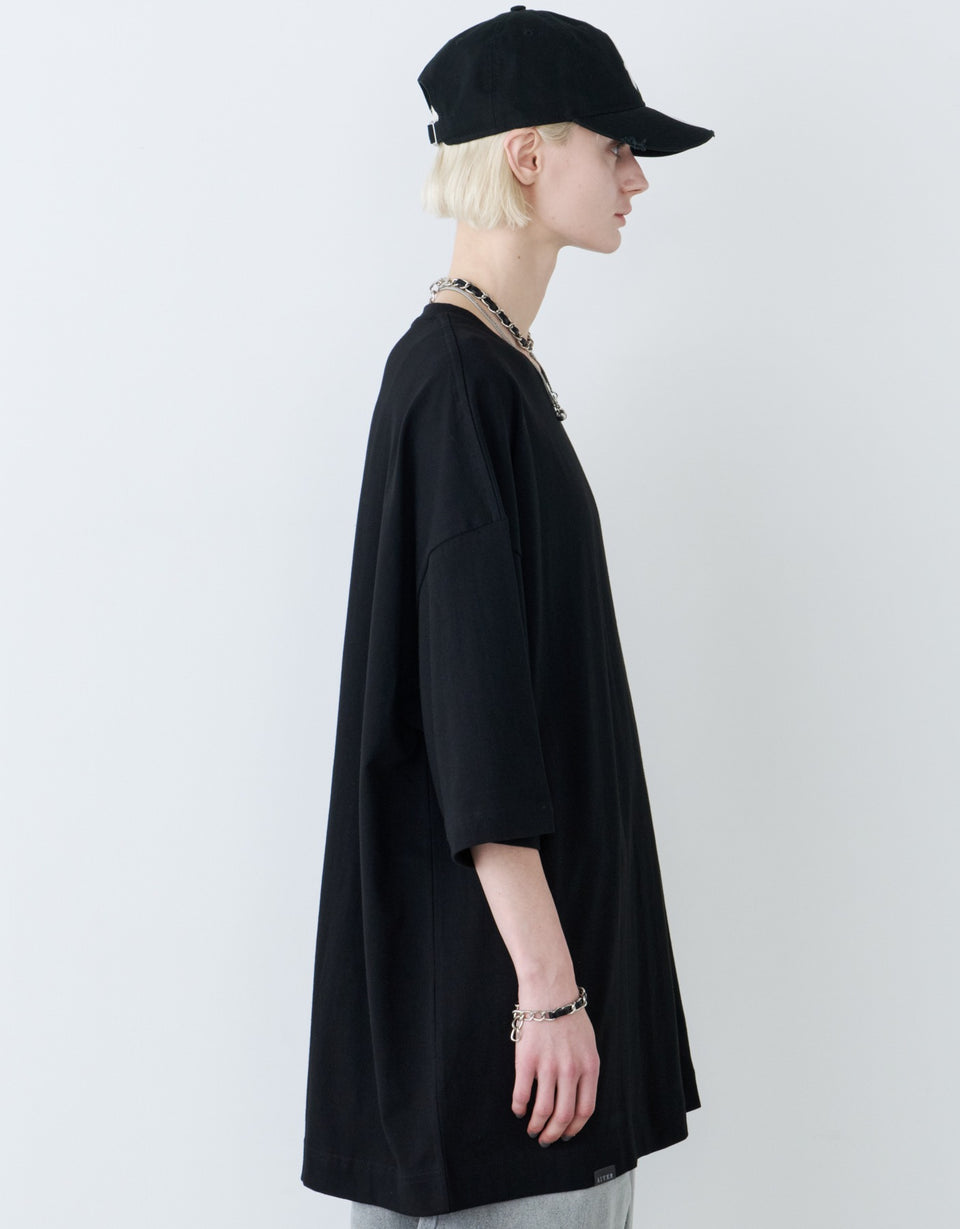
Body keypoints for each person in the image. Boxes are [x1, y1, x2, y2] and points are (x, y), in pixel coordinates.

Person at [301, 8, 713, 1227]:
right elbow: (470, 714)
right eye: (615, 147)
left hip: (529, 1010)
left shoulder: (492, 371)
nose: (636, 177)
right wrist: (547, 989)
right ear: (529, 155)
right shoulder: (453, 383)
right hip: (507, 1029)